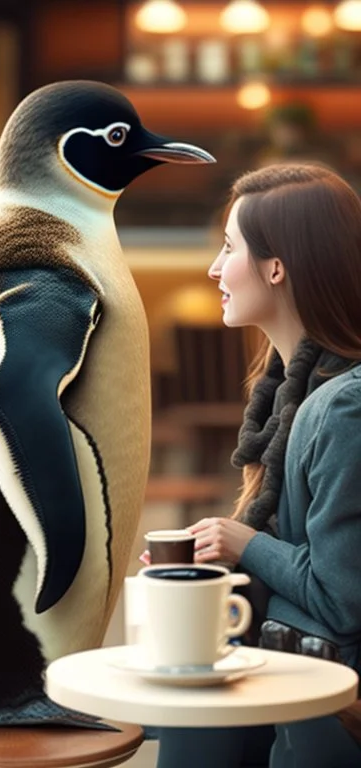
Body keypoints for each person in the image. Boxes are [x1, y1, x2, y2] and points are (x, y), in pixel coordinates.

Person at [154, 163, 361, 768]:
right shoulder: (298, 391)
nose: (215, 269)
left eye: (228, 247)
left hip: (326, 705)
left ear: (277, 267)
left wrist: (240, 542)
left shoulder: (343, 408)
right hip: (297, 683)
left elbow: (342, 598)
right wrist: (210, 563)